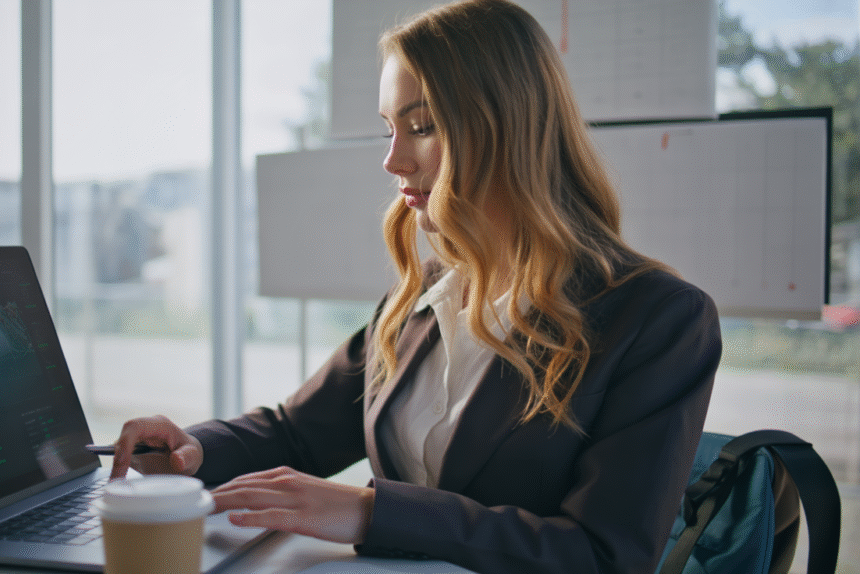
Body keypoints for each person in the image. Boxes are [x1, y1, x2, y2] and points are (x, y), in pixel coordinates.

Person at [108, 0, 722, 572]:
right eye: (389, 128)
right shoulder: (424, 298)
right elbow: (297, 431)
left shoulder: (659, 320)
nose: (394, 159)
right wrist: (193, 451)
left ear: (508, 128)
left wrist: (370, 512)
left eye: (422, 125)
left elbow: (604, 555)